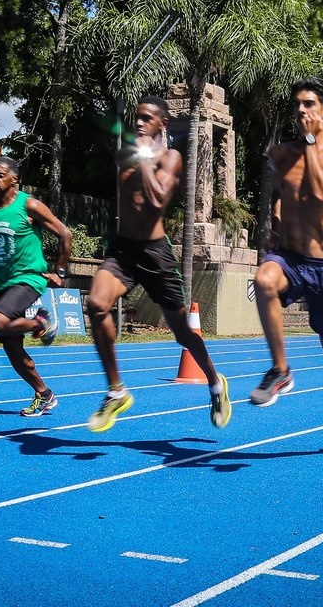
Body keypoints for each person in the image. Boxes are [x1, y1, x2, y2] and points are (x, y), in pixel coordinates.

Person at [82, 95, 232, 432]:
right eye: (137, 117)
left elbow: (157, 200)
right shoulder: (125, 154)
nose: (139, 123)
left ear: (161, 125)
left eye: (148, 118)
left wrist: (148, 159)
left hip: (155, 254)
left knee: (183, 335)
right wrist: (139, 156)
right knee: (95, 304)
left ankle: (215, 382)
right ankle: (116, 391)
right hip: (123, 251)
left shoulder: (172, 158)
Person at [250, 78, 323, 455]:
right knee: (264, 278)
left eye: (310, 104)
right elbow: (282, 195)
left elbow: (319, 192)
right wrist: (274, 229)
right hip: (292, 259)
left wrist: (312, 143)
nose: (301, 111)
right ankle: (281, 370)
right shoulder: (281, 154)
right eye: (297, 105)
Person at [0, 156, 72, 418]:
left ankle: (40, 323)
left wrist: (60, 271)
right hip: (3, 284)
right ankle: (44, 395)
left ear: (14, 178)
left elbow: (65, 233)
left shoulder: (28, 205)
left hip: (29, 278)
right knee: (13, 350)